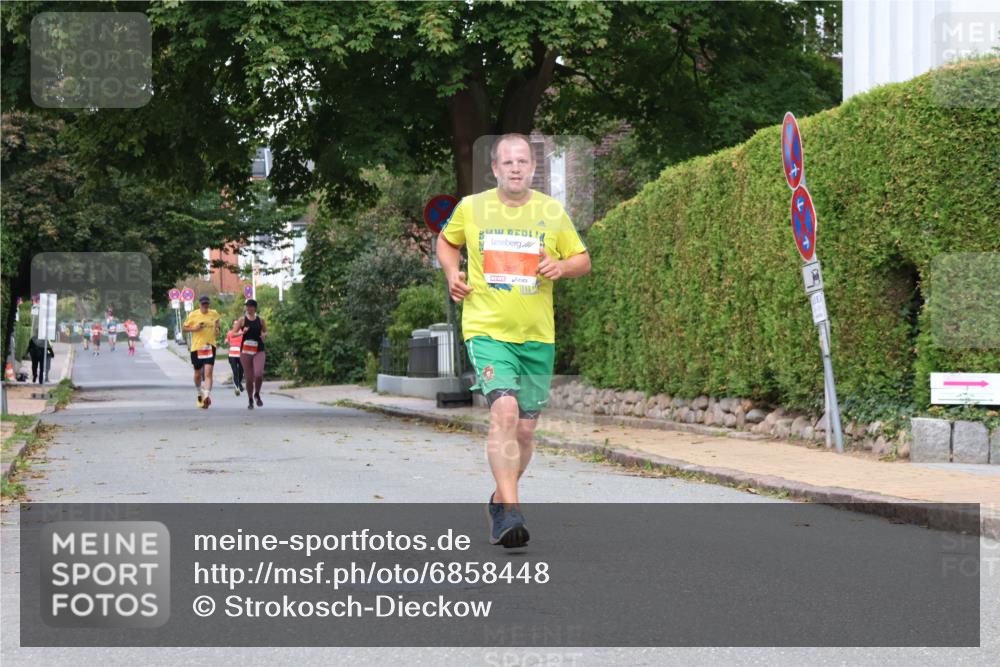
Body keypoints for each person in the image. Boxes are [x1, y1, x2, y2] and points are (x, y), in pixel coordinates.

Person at [437, 133, 591, 548]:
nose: (516, 168)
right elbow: (447, 243)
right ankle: (511, 513)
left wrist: (561, 265)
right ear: (495, 169)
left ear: (533, 168)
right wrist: (453, 274)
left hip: (537, 337)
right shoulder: (472, 209)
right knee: (504, 411)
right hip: (487, 329)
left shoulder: (551, 211)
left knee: (524, 431)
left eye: (523, 161)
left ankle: (498, 499)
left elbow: (583, 260)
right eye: (508, 162)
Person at [182, 295, 221, 408]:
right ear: (199, 304)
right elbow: (184, 328)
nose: (205, 306)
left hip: (209, 346)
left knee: (208, 372)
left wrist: (217, 329)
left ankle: (206, 396)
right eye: (203, 304)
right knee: (198, 374)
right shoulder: (193, 314)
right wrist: (195, 329)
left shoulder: (214, 314)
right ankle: (199, 393)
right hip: (197, 347)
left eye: (207, 304)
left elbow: (218, 327)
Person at [234, 299, 267, 409]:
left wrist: (264, 335)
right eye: (247, 306)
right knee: (249, 377)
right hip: (246, 351)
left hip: (259, 350)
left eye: (250, 306)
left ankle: (257, 393)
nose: (248, 308)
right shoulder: (242, 320)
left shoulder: (261, 320)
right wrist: (241, 332)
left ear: (254, 308)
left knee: (258, 373)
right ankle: (250, 399)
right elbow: (232, 333)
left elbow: (265, 331)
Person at [226, 321, 245, 396]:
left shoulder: (242, 333)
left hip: (241, 354)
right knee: (235, 372)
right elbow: (228, 341)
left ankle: (239, 383)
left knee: (241, 371)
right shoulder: (230, 333)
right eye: (234, 324)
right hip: (232, 354)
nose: (236, 325)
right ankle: (237, 387)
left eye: (237, 324)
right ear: (233, 325)